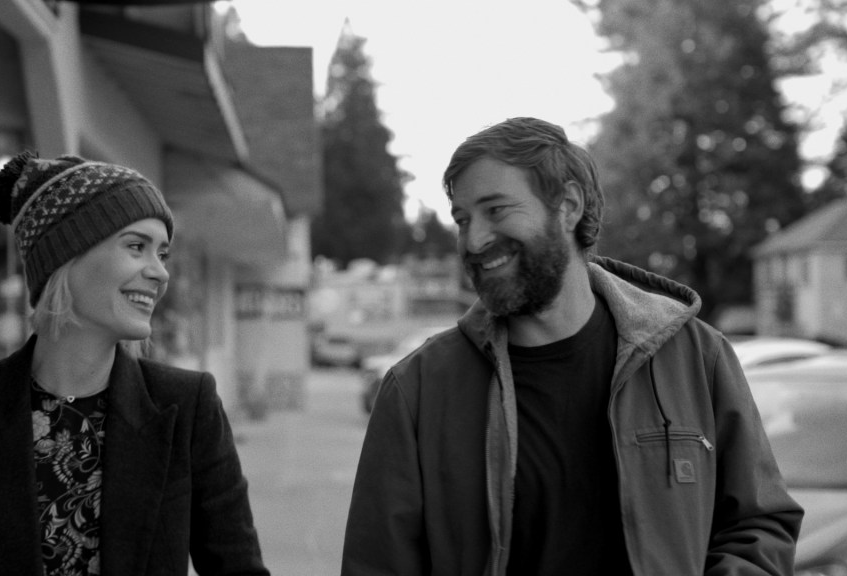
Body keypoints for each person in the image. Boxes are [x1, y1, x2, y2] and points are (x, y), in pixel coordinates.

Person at [341, 117, 802, 575]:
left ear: (568, 206)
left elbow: (758, 525)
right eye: (463, 220)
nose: (474, 240)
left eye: (496, 210)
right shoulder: (417, 391)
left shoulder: (696, 359)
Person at [0, 151, 270, 576]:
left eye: (162, 254)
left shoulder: (187, 406)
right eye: (136, 247)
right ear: (65, 257)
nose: (160, 273)